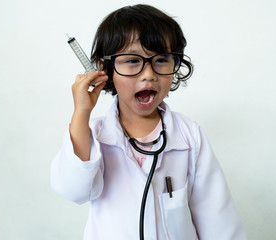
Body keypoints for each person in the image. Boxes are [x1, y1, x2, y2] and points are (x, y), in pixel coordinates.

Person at [51, 4, 247, 240]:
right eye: (133, 61)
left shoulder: (189, 137)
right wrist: (82, 111)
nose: (149, 74)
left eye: (162, 59)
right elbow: (74, 190)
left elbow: (218, 221)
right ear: (105, 69)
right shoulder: (93, 135)